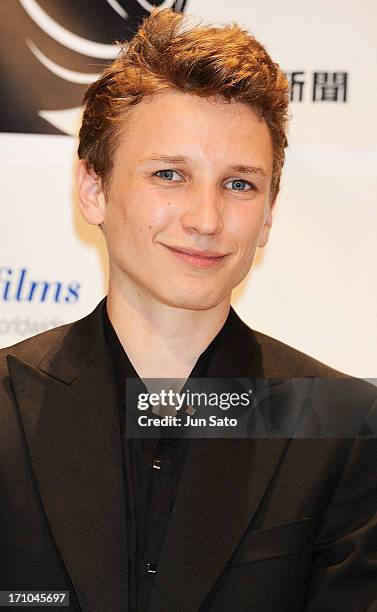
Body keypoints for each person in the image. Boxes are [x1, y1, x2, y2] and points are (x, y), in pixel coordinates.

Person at [0, 8, 376, 612]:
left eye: (239, 184)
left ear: (270, 211)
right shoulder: (6, 404)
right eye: (170, 174)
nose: (205, 219)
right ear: (93, 188)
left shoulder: (339, 423)